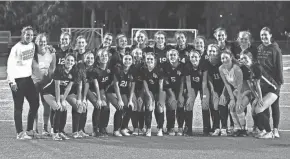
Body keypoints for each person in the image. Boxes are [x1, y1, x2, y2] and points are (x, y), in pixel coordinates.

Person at [7, 26, 39, 139]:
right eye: (27, 34)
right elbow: (10, 66)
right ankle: (20, 133)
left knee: (35, 103)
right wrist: (12, 82)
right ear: (23, 35)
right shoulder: (16, 48)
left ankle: (29, 130)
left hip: (28, 79)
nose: (29, 37)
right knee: (18, 107)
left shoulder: (33, 45)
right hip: (17, 81)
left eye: (31, 35)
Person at [240, 50, 279, 139]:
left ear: (250, 58)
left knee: (259, 108)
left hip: (272, 89)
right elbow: (251, 86)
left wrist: (260, 99)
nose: (243, 60)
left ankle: (269, 132)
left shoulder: (256, 66)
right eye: (241, 58)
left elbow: (257, 85)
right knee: (253, 109)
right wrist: (257, 97)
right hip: (263, 91)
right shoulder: (245, 70)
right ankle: (262, 130)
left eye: (245, 58)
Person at [42, 53, 77, 140]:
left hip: (59, 93)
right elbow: (56, 87)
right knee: (58, 108)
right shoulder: (59, 69)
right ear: (64, 60)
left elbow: (68, 88)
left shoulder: (74, 72)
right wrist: (58, 101)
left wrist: (63, 100)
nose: (70, 62)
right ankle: (55, 133)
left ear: (74, 62)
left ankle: (61, 131)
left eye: (72, 60)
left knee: (64, 107)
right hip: (48, 92)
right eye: (68, 60)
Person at [257, 27, 283, 138]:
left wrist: (279, 83)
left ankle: (275, 129)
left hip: (273, 83)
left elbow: (279, 66)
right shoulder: (259, 48)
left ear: (270, 35)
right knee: (265, 107)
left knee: (275, 106)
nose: (263, 37)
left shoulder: (275, 49)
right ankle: (267, 130)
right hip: (263, 83)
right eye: (262, 35)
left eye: (265, 34)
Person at [219, 49, 249, 137]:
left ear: (231, 57)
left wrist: (238, 100)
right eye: (222, 58)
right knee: (231, 107)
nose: (224, 60)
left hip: (246, 91)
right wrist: (232, 99)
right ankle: (237, 128)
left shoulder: (237, 69)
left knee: (239, 108)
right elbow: (227, 85)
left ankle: (244, 129)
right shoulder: (221, 68)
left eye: (226, 57)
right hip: (236, 91)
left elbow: (240, 86)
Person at [32, 33, 56, 135]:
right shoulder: (32, 53)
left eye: (44, 41)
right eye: (40, 41)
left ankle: (46, 128)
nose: (43, 43)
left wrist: (48, 74)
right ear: (36, 42)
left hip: (46, 83)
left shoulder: (51, 53)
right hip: (35, 82)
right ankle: (34, 128)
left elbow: (53, 68)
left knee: (46, 105)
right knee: (35, 105)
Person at [106, 54, 137, 137]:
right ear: (122, 60)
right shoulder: (118, 70)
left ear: (132, 61)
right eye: (126, 59)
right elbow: (116, 86)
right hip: (112, 92)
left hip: (123, 93)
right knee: (120, 108)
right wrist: (119, 100)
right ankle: (116, 130)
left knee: (129, 107)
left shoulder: (132, 71)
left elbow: (132, 87)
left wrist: (130, 100)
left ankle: (123, 128)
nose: (127, 61)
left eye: (129, 59)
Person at [87, 48, 112, 137]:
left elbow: (109, 84)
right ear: (98, 58)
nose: (104, 57)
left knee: (106, 108)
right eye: (102, 56)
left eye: (105, 56)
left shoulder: (109, 70)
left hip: (102, 91)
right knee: (98, 105)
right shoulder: (95, 70)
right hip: (92, 90)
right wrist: (99, 98)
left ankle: (103, 128)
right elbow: (96, 85)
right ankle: (95, 129)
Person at [163, 49, 185, 136]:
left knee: (180, 103)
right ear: (168, 57)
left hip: (180, 89)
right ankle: (170, 127)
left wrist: (180, 95)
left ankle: (180, 127)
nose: (172, 56)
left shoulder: (182, 66)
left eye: (174, 55)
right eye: (170, 55)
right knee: (171, 104)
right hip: (169, 89)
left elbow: (183, 81)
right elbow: (165, 81)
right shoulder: (165, 66)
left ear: (178, 57)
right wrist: (171, 95)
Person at [183, 50, 204, 136]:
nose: (194, 59)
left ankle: (208, 129)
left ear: (199, 57)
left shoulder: (203, 65)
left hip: (203, 86)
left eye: (196, 57)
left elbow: (205, 81)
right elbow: (188, 82)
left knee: (206, 103)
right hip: (192, 86)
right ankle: (188, 128)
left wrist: (205, 94)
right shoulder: (187, 66)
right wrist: (190, 95)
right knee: (189, 103)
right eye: (192, 57)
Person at [206, 44, 225, 136]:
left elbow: (226, 79)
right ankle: (216, 127)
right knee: (215, 105)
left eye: (214, 51)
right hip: (216, 88)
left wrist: (224, 93)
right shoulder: (207, 63)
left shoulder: (222, 63)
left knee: (224, 105)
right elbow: (209, 78)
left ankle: (225, 127)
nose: (212, 53)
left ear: (218, 53)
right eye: (210, 51)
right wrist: (213, 91)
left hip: (225, 88)